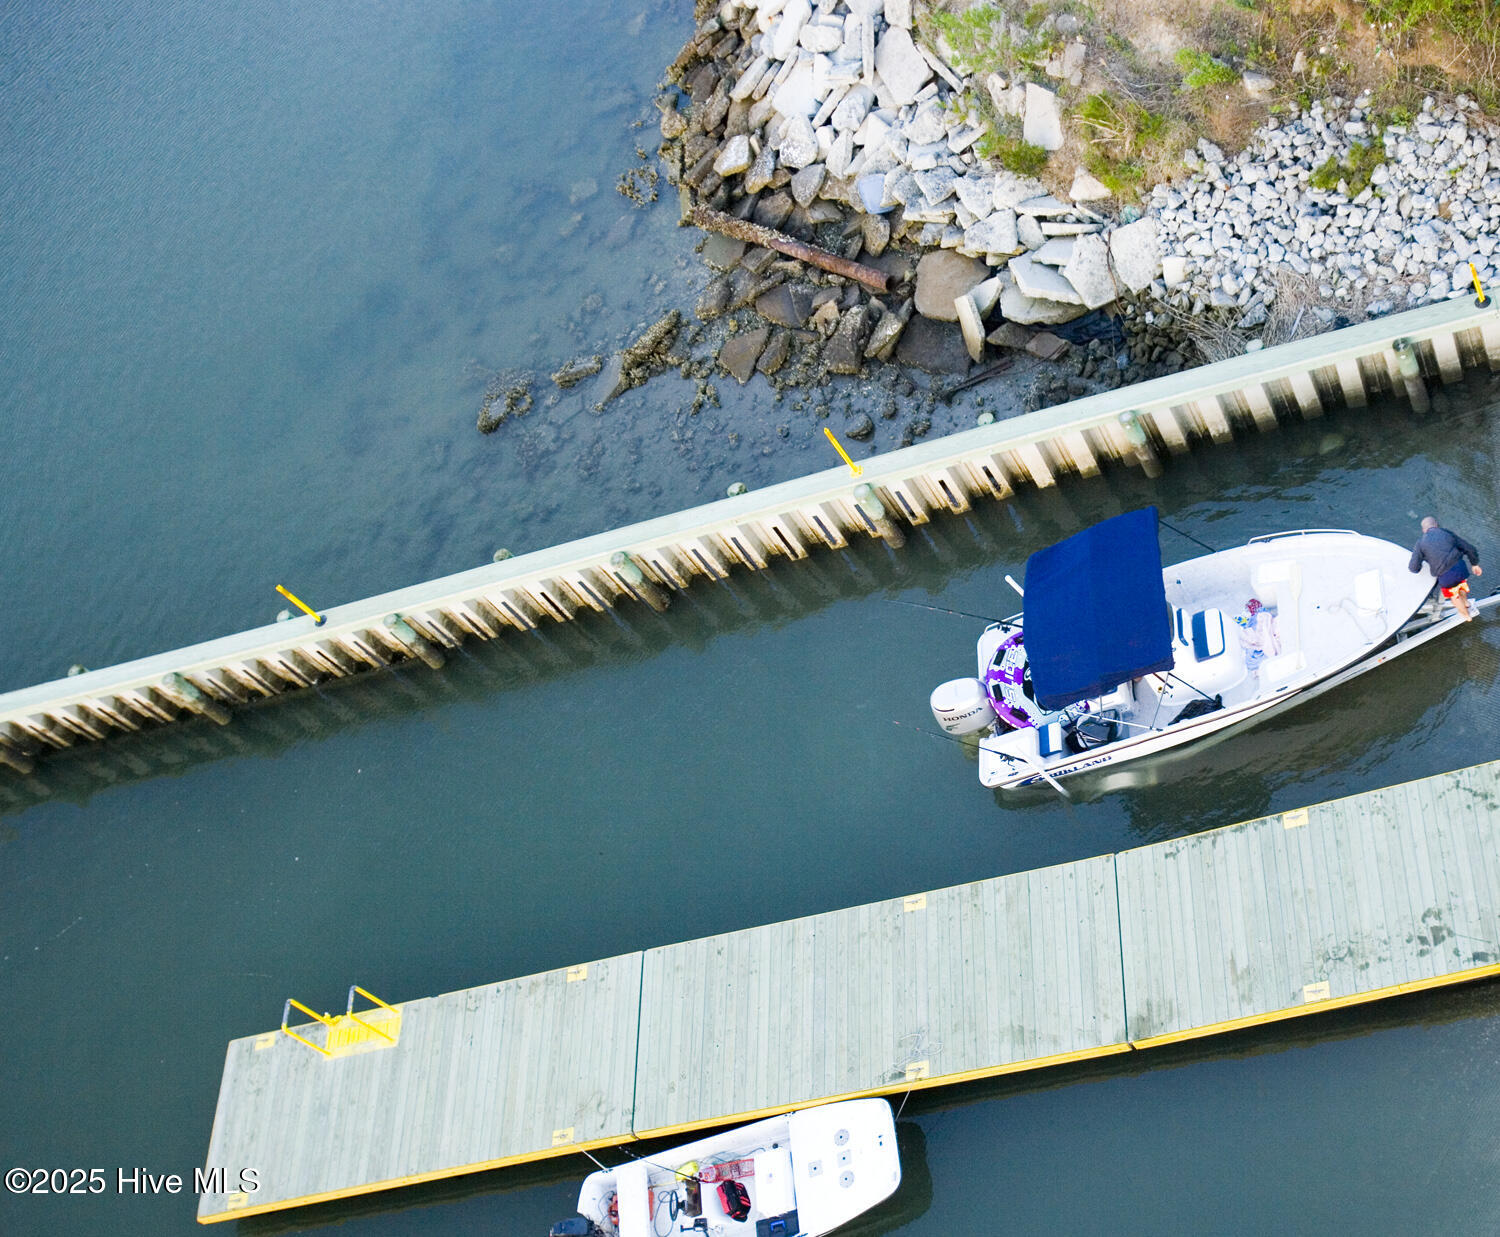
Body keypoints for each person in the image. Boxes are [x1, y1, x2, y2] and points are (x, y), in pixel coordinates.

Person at [1408, 516, 1483, 620]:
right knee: (1461, 585)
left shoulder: (1420, 543)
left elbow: (1413, 568)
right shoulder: (1447, 533)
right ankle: (1466, 603)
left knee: (1454, 596)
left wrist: (1424, 559)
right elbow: (1469, 548)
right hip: (1460, 568)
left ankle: (1466, 615)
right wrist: (1475, 564)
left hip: (1446, 576)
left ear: (1423, 530)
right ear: (1436, 525)